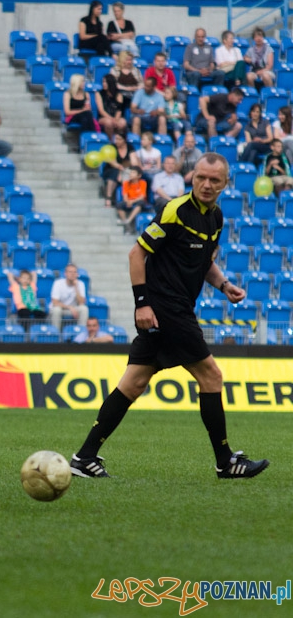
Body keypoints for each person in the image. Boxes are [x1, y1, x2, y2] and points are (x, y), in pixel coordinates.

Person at [71, 153, 269, 480]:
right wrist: (142, 303)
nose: (206, 185)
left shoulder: (215, 218)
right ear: (192, 177)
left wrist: (224, 285)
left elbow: (204, 262)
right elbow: (137, 253)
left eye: (214, 180)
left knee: (133, 384)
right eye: (201, 178)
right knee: (211, 376)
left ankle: (84, 457)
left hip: (174, 308)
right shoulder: (175, 210)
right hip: (166, 307)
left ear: (225, 184)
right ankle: (225, 461)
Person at [49, 263, 88, 331]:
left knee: (84, 309)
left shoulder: (80, 284)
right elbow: (55, 302)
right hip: (61, 308)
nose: (72, 274)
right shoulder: (58, 283)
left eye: (74, 272)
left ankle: (81, 333)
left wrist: (76, 287)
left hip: (74, 309)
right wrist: (70, 307)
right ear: (65, 274)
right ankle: (56, 334)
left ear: (77, 274)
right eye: (70, 272)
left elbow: (81, 302)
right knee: (56, 310)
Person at [101, 132, 136, 207]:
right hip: (111, 169)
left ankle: (127, 199)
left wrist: (124, 169)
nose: (117, 141)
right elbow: (112, 162)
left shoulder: (130, 147)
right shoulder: (111, 147)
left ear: (124, 140)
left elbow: (133, 162)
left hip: (125, 169)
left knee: (130, 174)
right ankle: (108, 198)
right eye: (116, 139)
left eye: (119, 139)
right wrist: (120, 169)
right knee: (114, 173)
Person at [116, 165, 148, 234]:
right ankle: (126, 223)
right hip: (128, 200)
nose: (130, 174)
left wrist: (132, 201)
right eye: (130, 173)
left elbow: (142, 196)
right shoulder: (126, 183)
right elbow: (125, 196)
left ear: (139, 175)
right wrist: (128, 201)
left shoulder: (143, 183)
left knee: (141, 203)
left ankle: (128, 220)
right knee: (119, 205)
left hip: (137, 201)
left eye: (133, 173)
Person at [96, 74, 127, 139]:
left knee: (122, 122)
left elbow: (119, 109)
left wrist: (116, 119)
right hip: (104, 117)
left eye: (105, 82)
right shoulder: (99, 94)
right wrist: (112, 119)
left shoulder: (119, 94)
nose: (104, 84)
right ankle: (110, 141)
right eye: (103, 82)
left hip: (116, 117)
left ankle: (118, 139)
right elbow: (101, 111)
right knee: (109, 122)